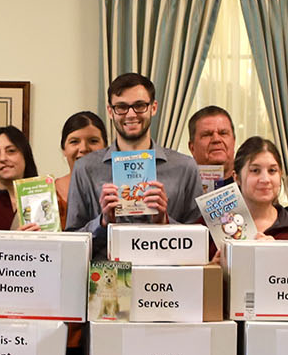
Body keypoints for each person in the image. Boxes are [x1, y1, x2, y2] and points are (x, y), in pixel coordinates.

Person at [62, 74, 204, 250]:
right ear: (110, 111)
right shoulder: (85, 168)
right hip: (107, 273)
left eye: (139, 106)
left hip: (166, 273)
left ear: (153, 108)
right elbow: (71, 241)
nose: (130, 114)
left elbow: (200, 241)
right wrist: (103, 221)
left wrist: (165, 221)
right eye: (121, 107)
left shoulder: (185, 167)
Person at [233, 136, 288, 240]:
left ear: (280, 174)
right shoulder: (216, 227)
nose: (265, 179)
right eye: (255, 170)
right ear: (236, 177)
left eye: (272, 170)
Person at [50, 110, 106, 228]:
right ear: (63, 149)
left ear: (105, 148)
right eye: (74, 142)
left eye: (93, 141)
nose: (83, 148)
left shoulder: (114, 190)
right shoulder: (47, 192)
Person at [185, 105, 236, 184]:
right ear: (192, 148)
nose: (216, 139)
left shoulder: (251, 184)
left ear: (234, 141)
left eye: (223, 133)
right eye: (207, 134)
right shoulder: (181, 188)